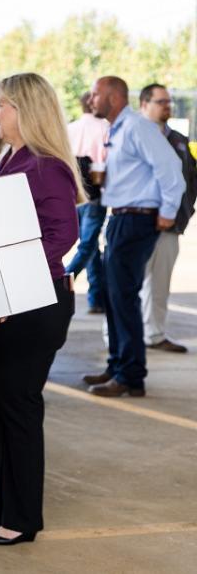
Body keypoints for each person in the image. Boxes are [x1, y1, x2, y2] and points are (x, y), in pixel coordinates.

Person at [0, 73, 82, 546]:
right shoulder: (10, 160)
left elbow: (62, 236)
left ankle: (23, 516)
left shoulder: (46, 165)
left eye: (2, 105)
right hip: (2, 300)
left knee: (18, 408)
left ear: (25, 110)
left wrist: (12, 272)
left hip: (32, 302)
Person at [83, 76, 185, 397]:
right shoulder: (117, 129)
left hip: (138, 219)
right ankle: (117, 365)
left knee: (123, 296)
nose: (91, 99)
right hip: (120, 217)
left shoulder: (138, 127)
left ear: (114, 97)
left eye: (97, 94)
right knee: (115, 296)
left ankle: (130, 375)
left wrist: (168, 211)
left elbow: (171, 170)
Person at [138, 83, 196, 353]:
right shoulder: (133, 136)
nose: (167, 106)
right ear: (144, 104)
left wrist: (184, 212)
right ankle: (122, 338)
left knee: (159, 287)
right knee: (128, 286)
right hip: (137, 224)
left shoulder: (178, 140)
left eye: (169, 101)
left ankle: (155, 334)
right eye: (161, 101)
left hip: (170, 226)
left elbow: (190, 179)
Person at [65, 91, 110, 315]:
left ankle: (96, 299)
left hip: (73, 195)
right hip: (95, 194)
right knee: (87, 247)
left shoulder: (70, 128)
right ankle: (61, 283)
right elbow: (106, 161)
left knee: (91, 247)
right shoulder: (105, 128)